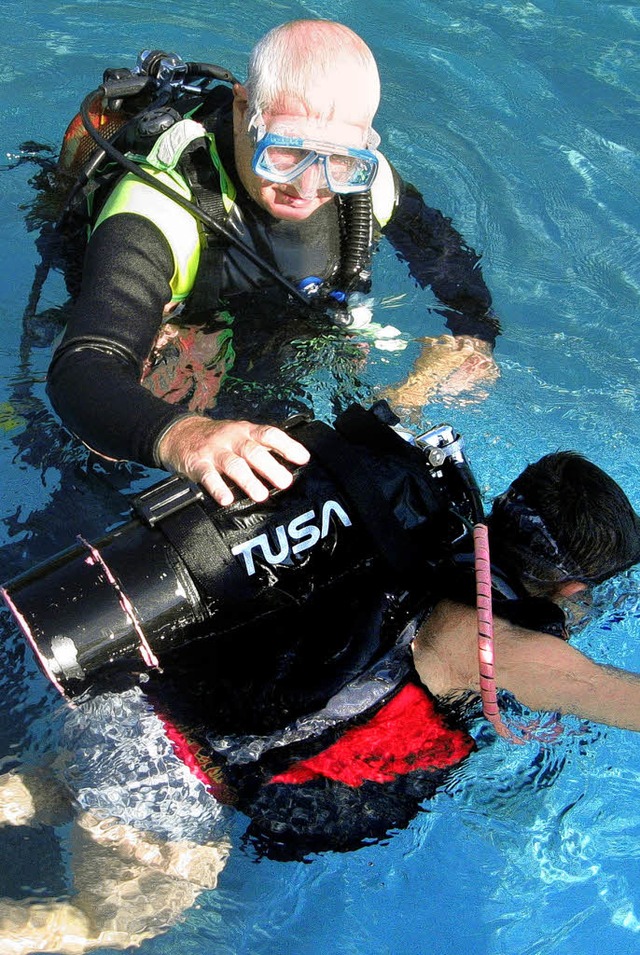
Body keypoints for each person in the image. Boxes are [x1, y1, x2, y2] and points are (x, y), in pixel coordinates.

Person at [2, 409, 640, 951]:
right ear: (574, 588)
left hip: (131, 713)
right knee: (95, 928)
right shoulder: (500, 647)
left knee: (40, 792)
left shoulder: (417, 524)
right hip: (176, 787)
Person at [45, 19, 500, 509]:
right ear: (243, 108)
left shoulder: (369, 188)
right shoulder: (157, 212)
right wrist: (184, 436)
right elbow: (82, 370)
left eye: (339, 160)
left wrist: (473, 336)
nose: (308, 187)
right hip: (180, 314)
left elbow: (451, 268)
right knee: (104, 465)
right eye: (285, 152)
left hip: (284, 313)